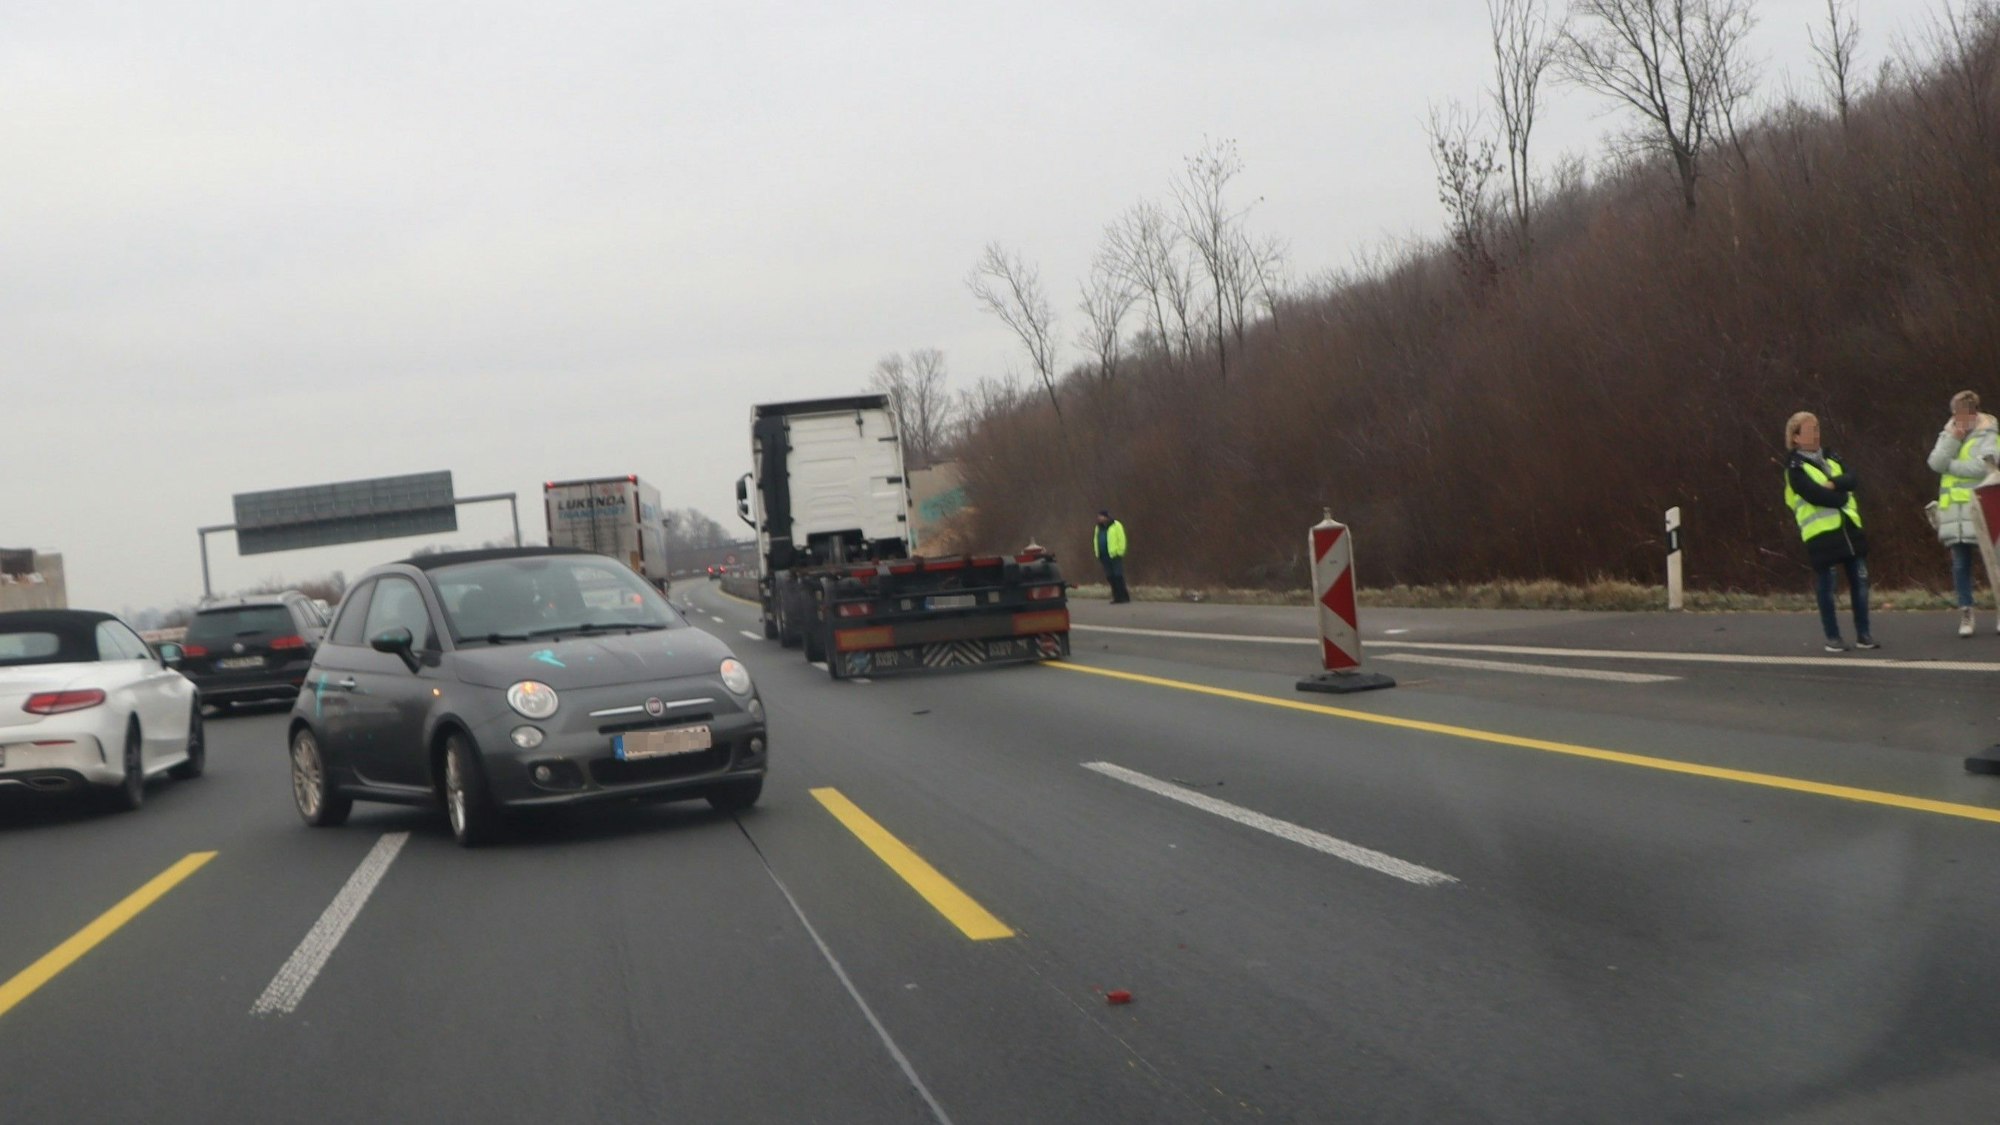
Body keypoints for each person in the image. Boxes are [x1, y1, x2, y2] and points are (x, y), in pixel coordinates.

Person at [1784, 412, 1876, 652]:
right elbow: (1813, 494)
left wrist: (1835, 485)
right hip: (1821, 534)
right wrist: (1840, 495)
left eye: (1817, 428)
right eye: (1809, 430)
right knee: (1828, 585)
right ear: (1795, 438)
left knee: (1861, 582)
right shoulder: (1794, 467)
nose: (1816, 433)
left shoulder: (1831, 456)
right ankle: (1833, 637)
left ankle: (1864, 634)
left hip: (1849, 529)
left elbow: (1852, 478)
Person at [1927, 390, 2000, 637]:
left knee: (1995, 562)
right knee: (1960, 564)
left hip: (1982, 508)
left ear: (1974, 411)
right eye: (1956, 413)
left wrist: (1951, 465)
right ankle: (1966, 612)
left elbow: (1982, 467)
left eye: (1964, 412)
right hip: (1954, 514)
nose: (1959, 417)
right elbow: (1934, 463)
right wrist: (1953, 439)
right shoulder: (1948, 433)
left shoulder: (1990, 434)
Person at [1093, 510, 1130, 604]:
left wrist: (1120, 551)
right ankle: (1116, 595)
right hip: (1103, 555)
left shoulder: (1116, 525)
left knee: (1117, 575)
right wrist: (1097, 552)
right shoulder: (1098, 527)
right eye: (1099, 517)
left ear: (1107, 517)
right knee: (1110, 576)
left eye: (1101, 516)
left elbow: (1121, 539)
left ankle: (1123, 596)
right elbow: (1096, 539)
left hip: (1114, 554)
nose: (1099, 518)